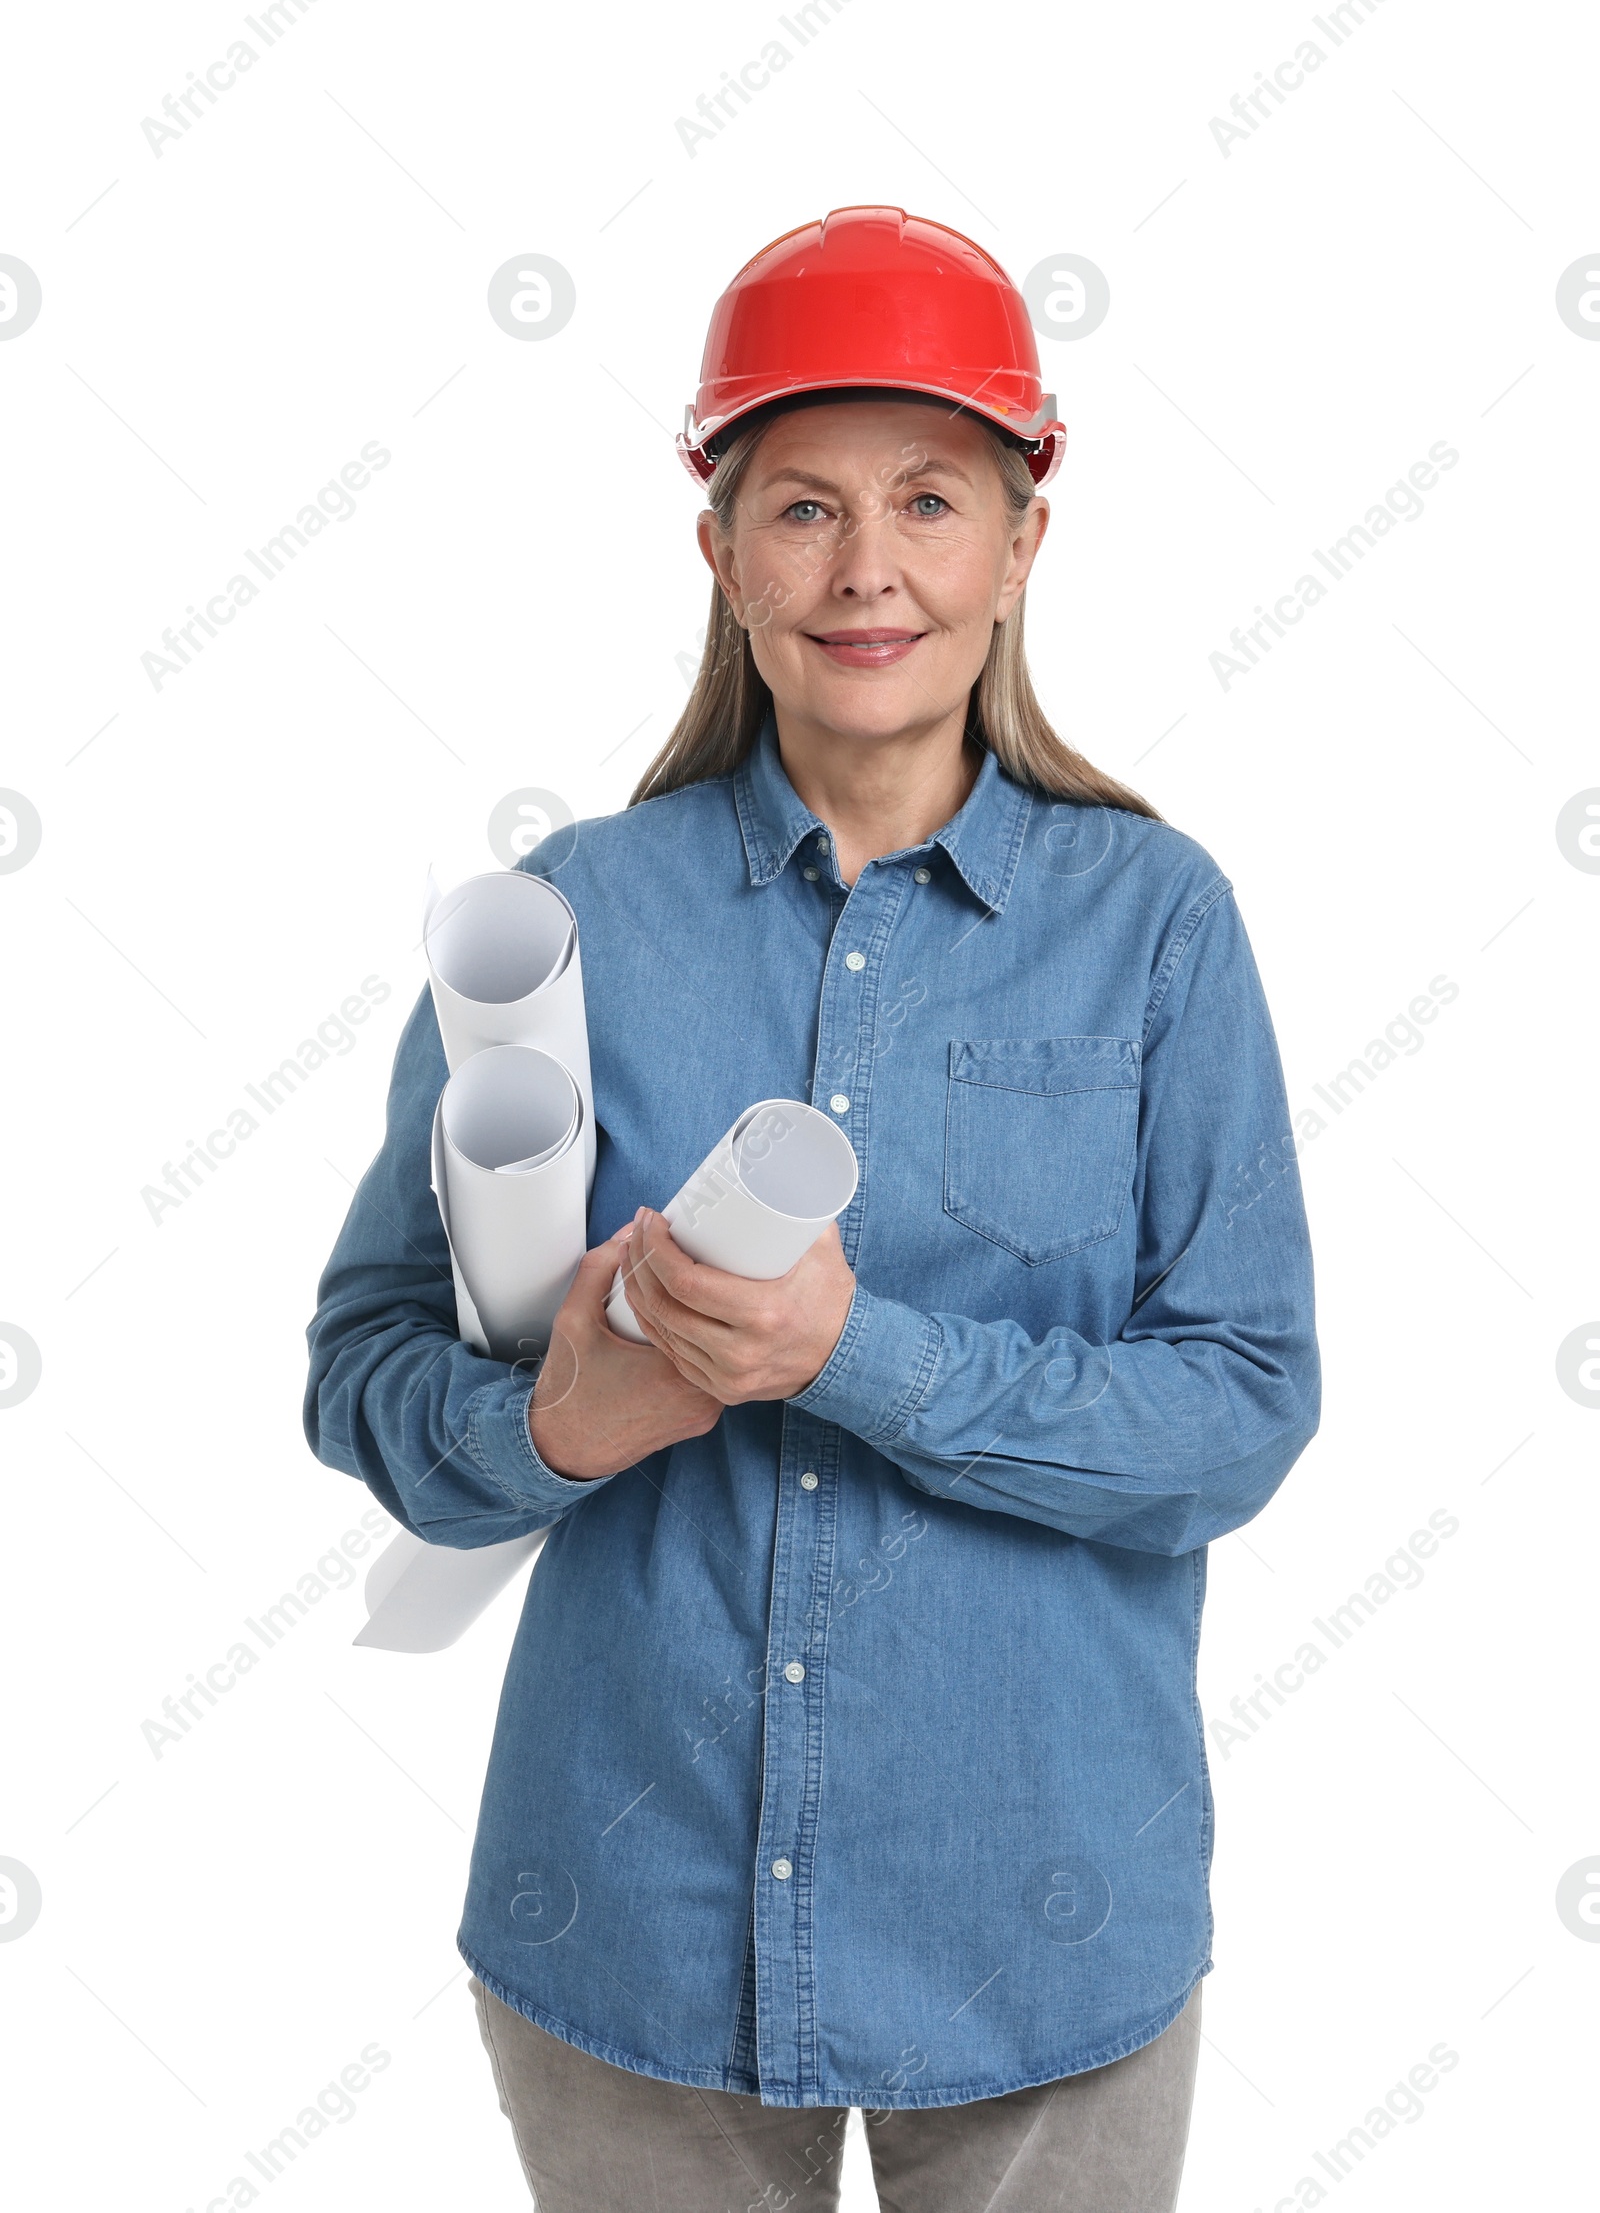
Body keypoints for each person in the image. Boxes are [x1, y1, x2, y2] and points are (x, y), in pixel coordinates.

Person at [304, 205, 1320, 2211]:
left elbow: (1240, 1406)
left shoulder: (1153, 925)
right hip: (627, 1921)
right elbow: (368, 1374)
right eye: (800, 507)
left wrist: (855, 1357)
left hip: (1040, 1931)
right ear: (717, 547)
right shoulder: (563, 919)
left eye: (930, 500)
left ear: (1020, 542)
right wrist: (548, 1428)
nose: (867, 568)